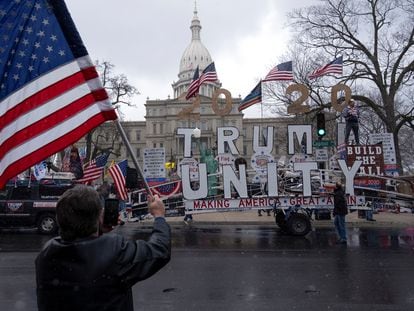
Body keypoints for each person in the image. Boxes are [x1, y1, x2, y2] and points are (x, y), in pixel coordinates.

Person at [35, 185, 171, 311]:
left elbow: (79, 241)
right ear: (97, 216)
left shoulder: (46, 255)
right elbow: (158, 250)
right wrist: (159, 216)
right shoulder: (113, 251)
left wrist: (96, 229)